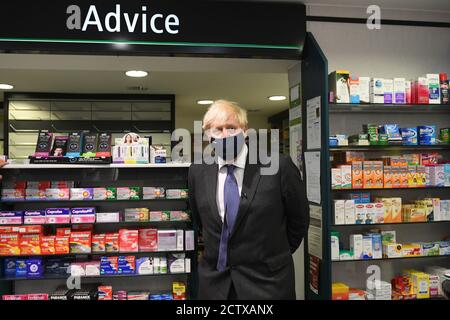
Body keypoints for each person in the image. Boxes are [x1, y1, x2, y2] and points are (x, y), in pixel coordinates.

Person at [188, 100, 309, 300]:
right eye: (217, 129)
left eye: (231, 128)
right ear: (208, 135)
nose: (225, 135)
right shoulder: (197, 171)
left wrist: (273, 256)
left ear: (245, 131)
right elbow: (201, 222)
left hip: (268, 284)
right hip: (216, 286)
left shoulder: (279, 166)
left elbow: (299, 220)